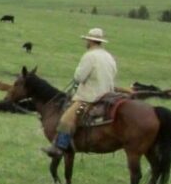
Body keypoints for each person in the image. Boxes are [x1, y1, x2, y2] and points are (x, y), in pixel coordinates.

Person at [43, 27, 117, 157]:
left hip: (90, 97)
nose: (86, 42)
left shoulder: (89, 56)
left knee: (66, 119)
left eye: (87, 40)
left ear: (90, 41)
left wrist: (77, 71)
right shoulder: (109, 56)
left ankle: (60, 147)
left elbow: (79, 77)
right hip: (109, 96)